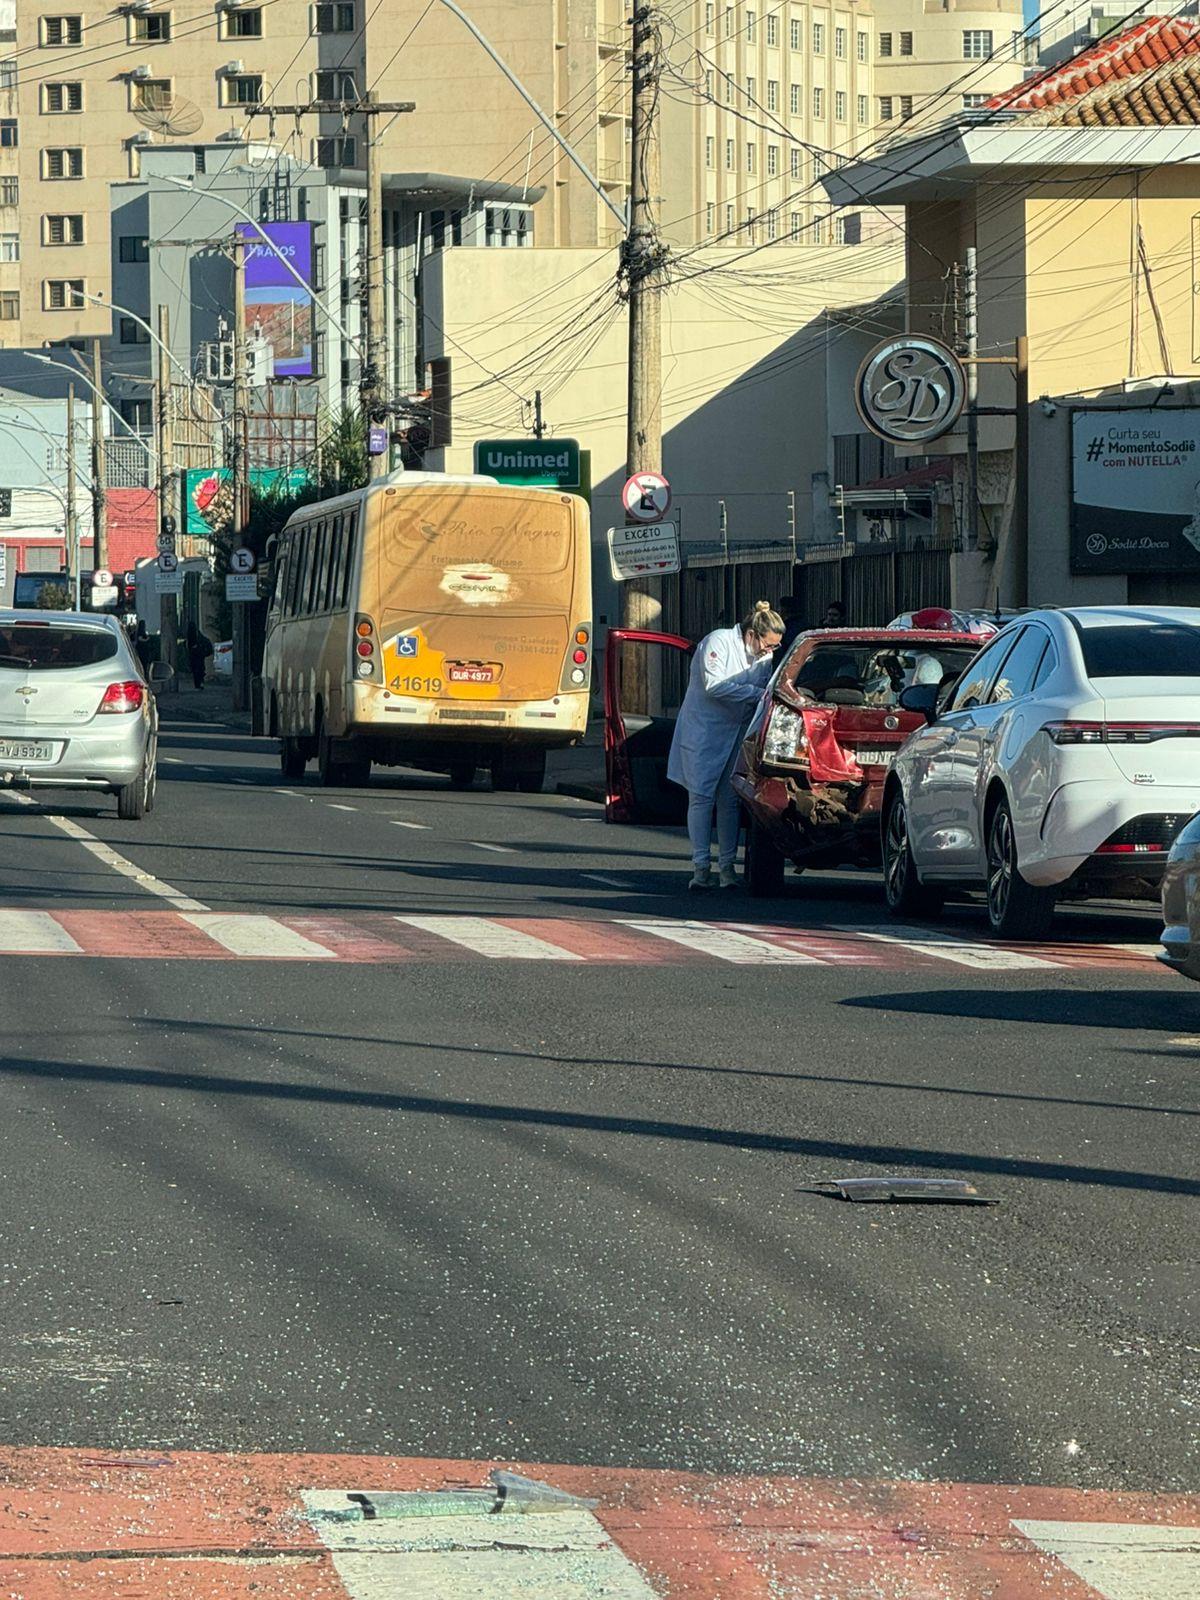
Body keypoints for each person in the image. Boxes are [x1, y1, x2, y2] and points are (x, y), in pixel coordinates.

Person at [667, 601, 784, 891]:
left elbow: (763, 685)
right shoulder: (717, 642)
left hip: (736, 730)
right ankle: (701, 865)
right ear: (752, 634)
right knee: (701, 796)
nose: (770, 652)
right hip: (704, 731)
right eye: (768, 645)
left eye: (775, 647)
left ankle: (728, 867)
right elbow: (714, 686)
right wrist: (757, 695)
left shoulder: (762, 657)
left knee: (730, 799)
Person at [774, 595, 805, 663]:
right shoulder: (806, 626)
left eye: (779, 608)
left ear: (783, 610)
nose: (778, 611)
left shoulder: (784, 629)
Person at [187, 623, 213, 690]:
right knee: (199, 669)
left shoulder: (192, 635)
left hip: (196, 655)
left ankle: (198, 684)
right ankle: (199, 683)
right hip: (198, 655)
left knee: (197, 670)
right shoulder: (197, 635)